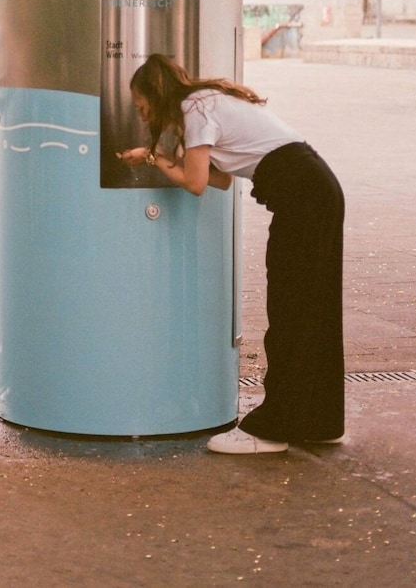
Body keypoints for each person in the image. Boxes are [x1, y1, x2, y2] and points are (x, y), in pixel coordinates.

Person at [117, 53, 345, 455]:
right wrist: (162, 156)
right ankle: (318, 420)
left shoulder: (195, 109)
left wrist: (152, 157)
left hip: (302, 196)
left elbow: (196, 183)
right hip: (315, 188)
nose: (141, 114)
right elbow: (222, 180)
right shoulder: (205, 102)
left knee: (290, 308)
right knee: (314, 307)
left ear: (155, 93)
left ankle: (272, 429)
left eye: (141, 106)